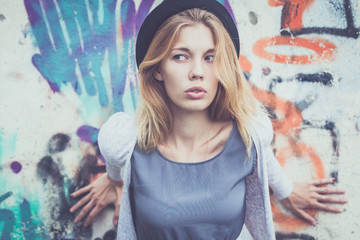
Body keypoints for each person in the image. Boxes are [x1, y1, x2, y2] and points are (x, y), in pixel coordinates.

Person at [69, 0, 347, 239]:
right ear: (157, 70)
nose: (197, 72)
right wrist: (113, 181)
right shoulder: (124, 140)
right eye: (180, 57)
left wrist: (286, 190)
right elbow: (116, 165)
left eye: (210, 57)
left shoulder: (250, 134)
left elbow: (261, 158)